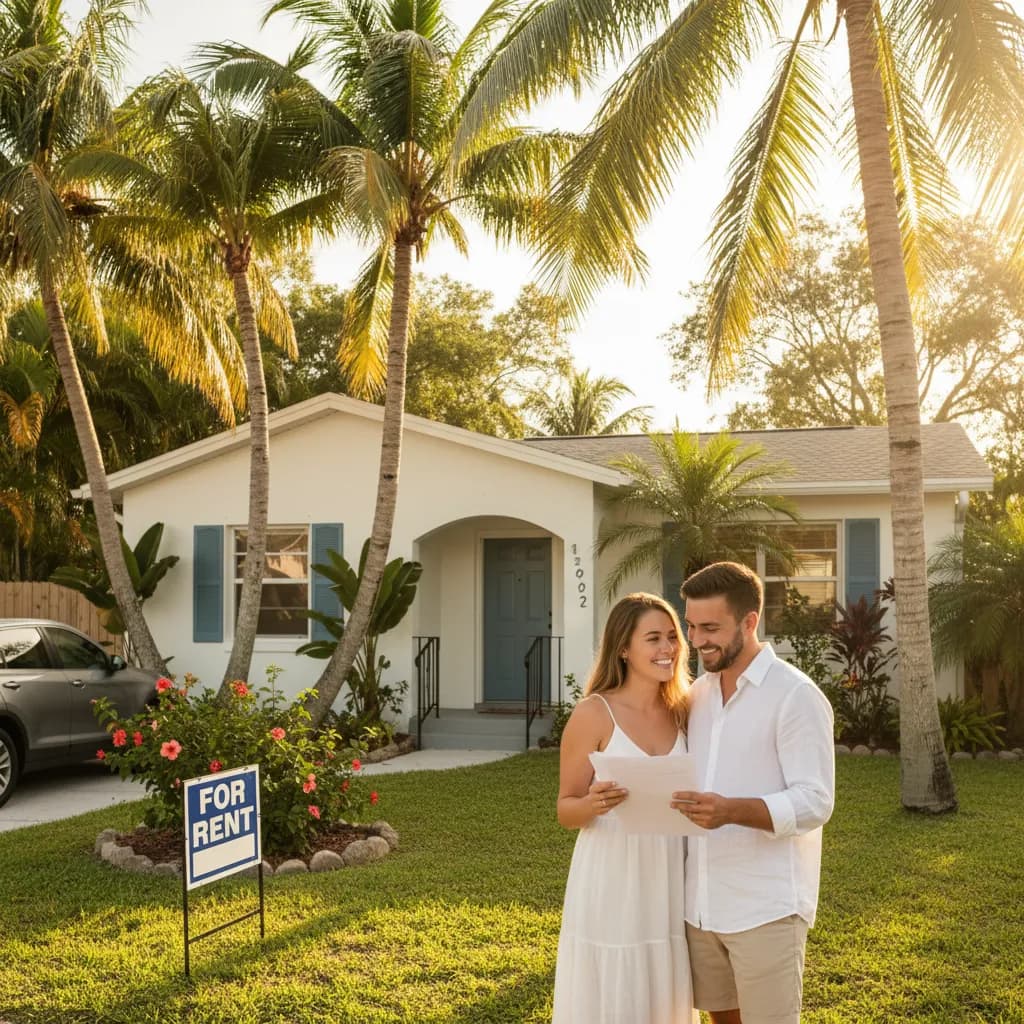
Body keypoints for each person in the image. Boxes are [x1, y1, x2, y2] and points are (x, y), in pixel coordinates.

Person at [671, 561, 835, 1024]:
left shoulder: (795, 696)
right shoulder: (696, 695)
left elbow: (815, 800)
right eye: (691, 626)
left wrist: (732, 811)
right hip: (700, 906)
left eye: (711, 628)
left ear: (749, 621)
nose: (698, 639)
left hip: (766, 909)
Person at [552, 592, 697, 1024]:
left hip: (669, 871)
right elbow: (565, 809)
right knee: (615, 982)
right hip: (612, 872)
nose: (667, 648)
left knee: (660, 981)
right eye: (653, 638)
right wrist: (593, 803)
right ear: (623, 648)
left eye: (672, 637)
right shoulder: (593, 714)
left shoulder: (685, 710)